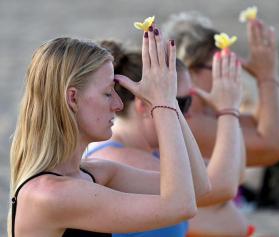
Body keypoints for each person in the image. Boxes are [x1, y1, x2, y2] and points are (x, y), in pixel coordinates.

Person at [8, 27, 208, 237]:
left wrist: (171, 104)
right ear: (73, 98)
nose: (118, 104)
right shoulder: (50, 194)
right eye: (107, 93)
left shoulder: (95, 173)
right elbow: (180, 207)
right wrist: (163, 102)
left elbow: (198, 187)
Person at [86, 36, 247, 236]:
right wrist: (229, 111)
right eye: (182, 102)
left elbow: (235, 175)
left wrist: (230, 112)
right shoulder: (116, 158)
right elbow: (220, 188)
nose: (187, 113)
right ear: (144, 105)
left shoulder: (151, 152)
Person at [162, 11, 279, 166]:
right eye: (221, 65)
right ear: (190, 69)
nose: (230, 72)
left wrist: (264, 76)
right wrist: (267, 77)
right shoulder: (189, 121)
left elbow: (260, 124)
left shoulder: (206, 111)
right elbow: (274, 146)